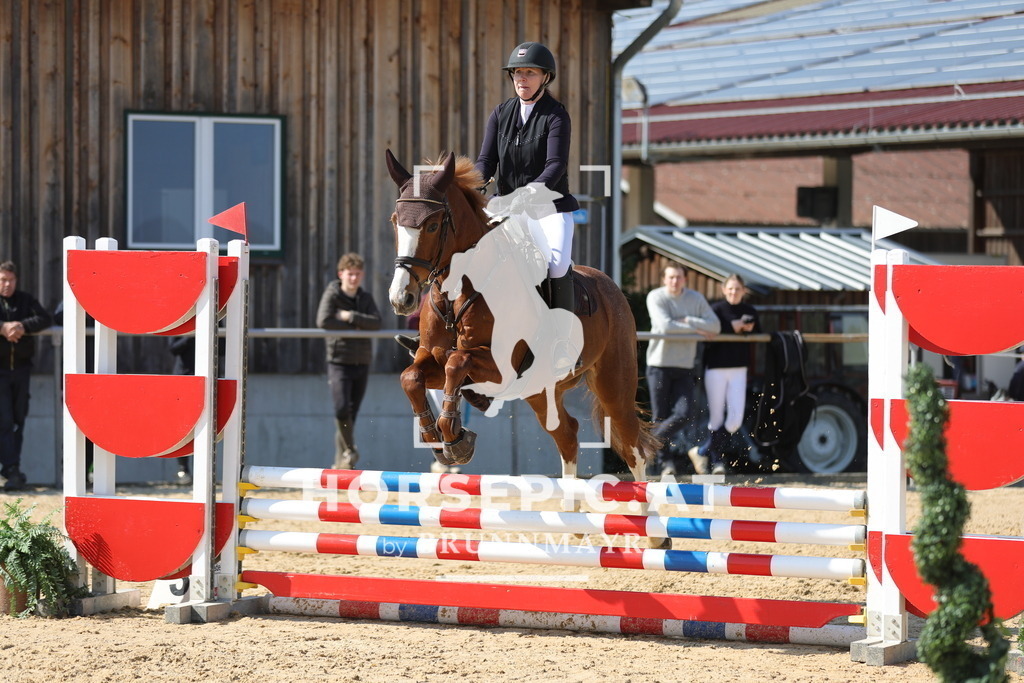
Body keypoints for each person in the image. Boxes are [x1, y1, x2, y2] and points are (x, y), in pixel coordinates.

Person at [396, 41, 580, 365]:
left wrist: (524, 195)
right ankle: (431, 333)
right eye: (518, 73)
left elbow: (555, 166)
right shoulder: (501, 113)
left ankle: (562, 342)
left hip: (548, 210)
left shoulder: (556, 116)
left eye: (530, 73)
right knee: (457, 249)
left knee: (556, 264)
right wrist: (462, 184)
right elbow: (484, 163)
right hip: (506, 208)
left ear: (545, 77)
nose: (522, 79)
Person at [646, 262, 720, 476]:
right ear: (663, 279)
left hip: (684, 365)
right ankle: (665, 463)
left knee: (685, 413)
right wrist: (697, 328)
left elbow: (714, 326)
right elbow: (665, 326)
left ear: (685, 279)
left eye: (678, 277)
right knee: (659, 416)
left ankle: (648, 442)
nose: (674, 281)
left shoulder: (695, 299)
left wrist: (687, 320)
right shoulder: (656, 297)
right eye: (670, 277)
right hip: (659, 364)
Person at [316, 253, 381, 470]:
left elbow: (377, 323)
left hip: (361, 361)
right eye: (350, 274)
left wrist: (348, 317)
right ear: (341, 274)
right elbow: (323, 320)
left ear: (362, 275)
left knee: (351, 416)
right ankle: (350, 450)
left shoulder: (366, 298)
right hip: (339, 360)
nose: (353, 278)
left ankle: (342, 463)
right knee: (341, 410)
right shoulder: (333, 293)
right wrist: (357, 328)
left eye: (357, 274)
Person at [689, 274, 759, 475]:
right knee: (717, 417)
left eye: (737, 289)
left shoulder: (750, 310)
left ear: (743, 291)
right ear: (724, 289)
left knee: (735, 420)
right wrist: (732, 327)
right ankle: (716, 460)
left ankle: (702, 450)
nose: (733, 292)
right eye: (730, 289)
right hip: (716, 368)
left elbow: (758, 331)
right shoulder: (716, 309)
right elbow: (711, 329)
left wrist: (747, 328)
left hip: (739, 368)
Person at [0, 261, 52, 491]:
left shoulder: (25, 299)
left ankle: (13, 469)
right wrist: (2, 327)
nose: (7, 284)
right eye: (2, 279)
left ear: (16, 280)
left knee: (19, 420)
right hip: (0, 371)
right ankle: (10, 468)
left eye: (10, 279)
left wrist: (20, 326)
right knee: (5, 421)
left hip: (21, 370)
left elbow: (44, 318)